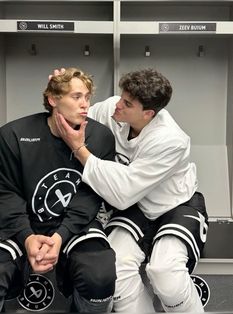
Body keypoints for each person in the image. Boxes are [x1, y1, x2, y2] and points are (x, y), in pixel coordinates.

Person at [53, 68, 209, 313]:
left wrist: (79, 149)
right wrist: (60, 89)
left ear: (148, 113)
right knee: (117, 269)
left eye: (127, 103)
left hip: (175, 206)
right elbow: (72, 118)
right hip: (136, 208)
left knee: (166, 274)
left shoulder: (171, 140)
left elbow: (123, 191)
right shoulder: (112, 109)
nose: (118, 105)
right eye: (121, 96)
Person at [0, 67, 117, 313]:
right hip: (23, 222)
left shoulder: (100, 137)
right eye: (76, 97)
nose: (85, 104)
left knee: (99, 276)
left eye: (87, 97)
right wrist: (27, 236)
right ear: (53, 100)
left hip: (76, 224)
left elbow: (90, 195)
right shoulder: (13, 134)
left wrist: (61, 235)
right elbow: (6, 193)